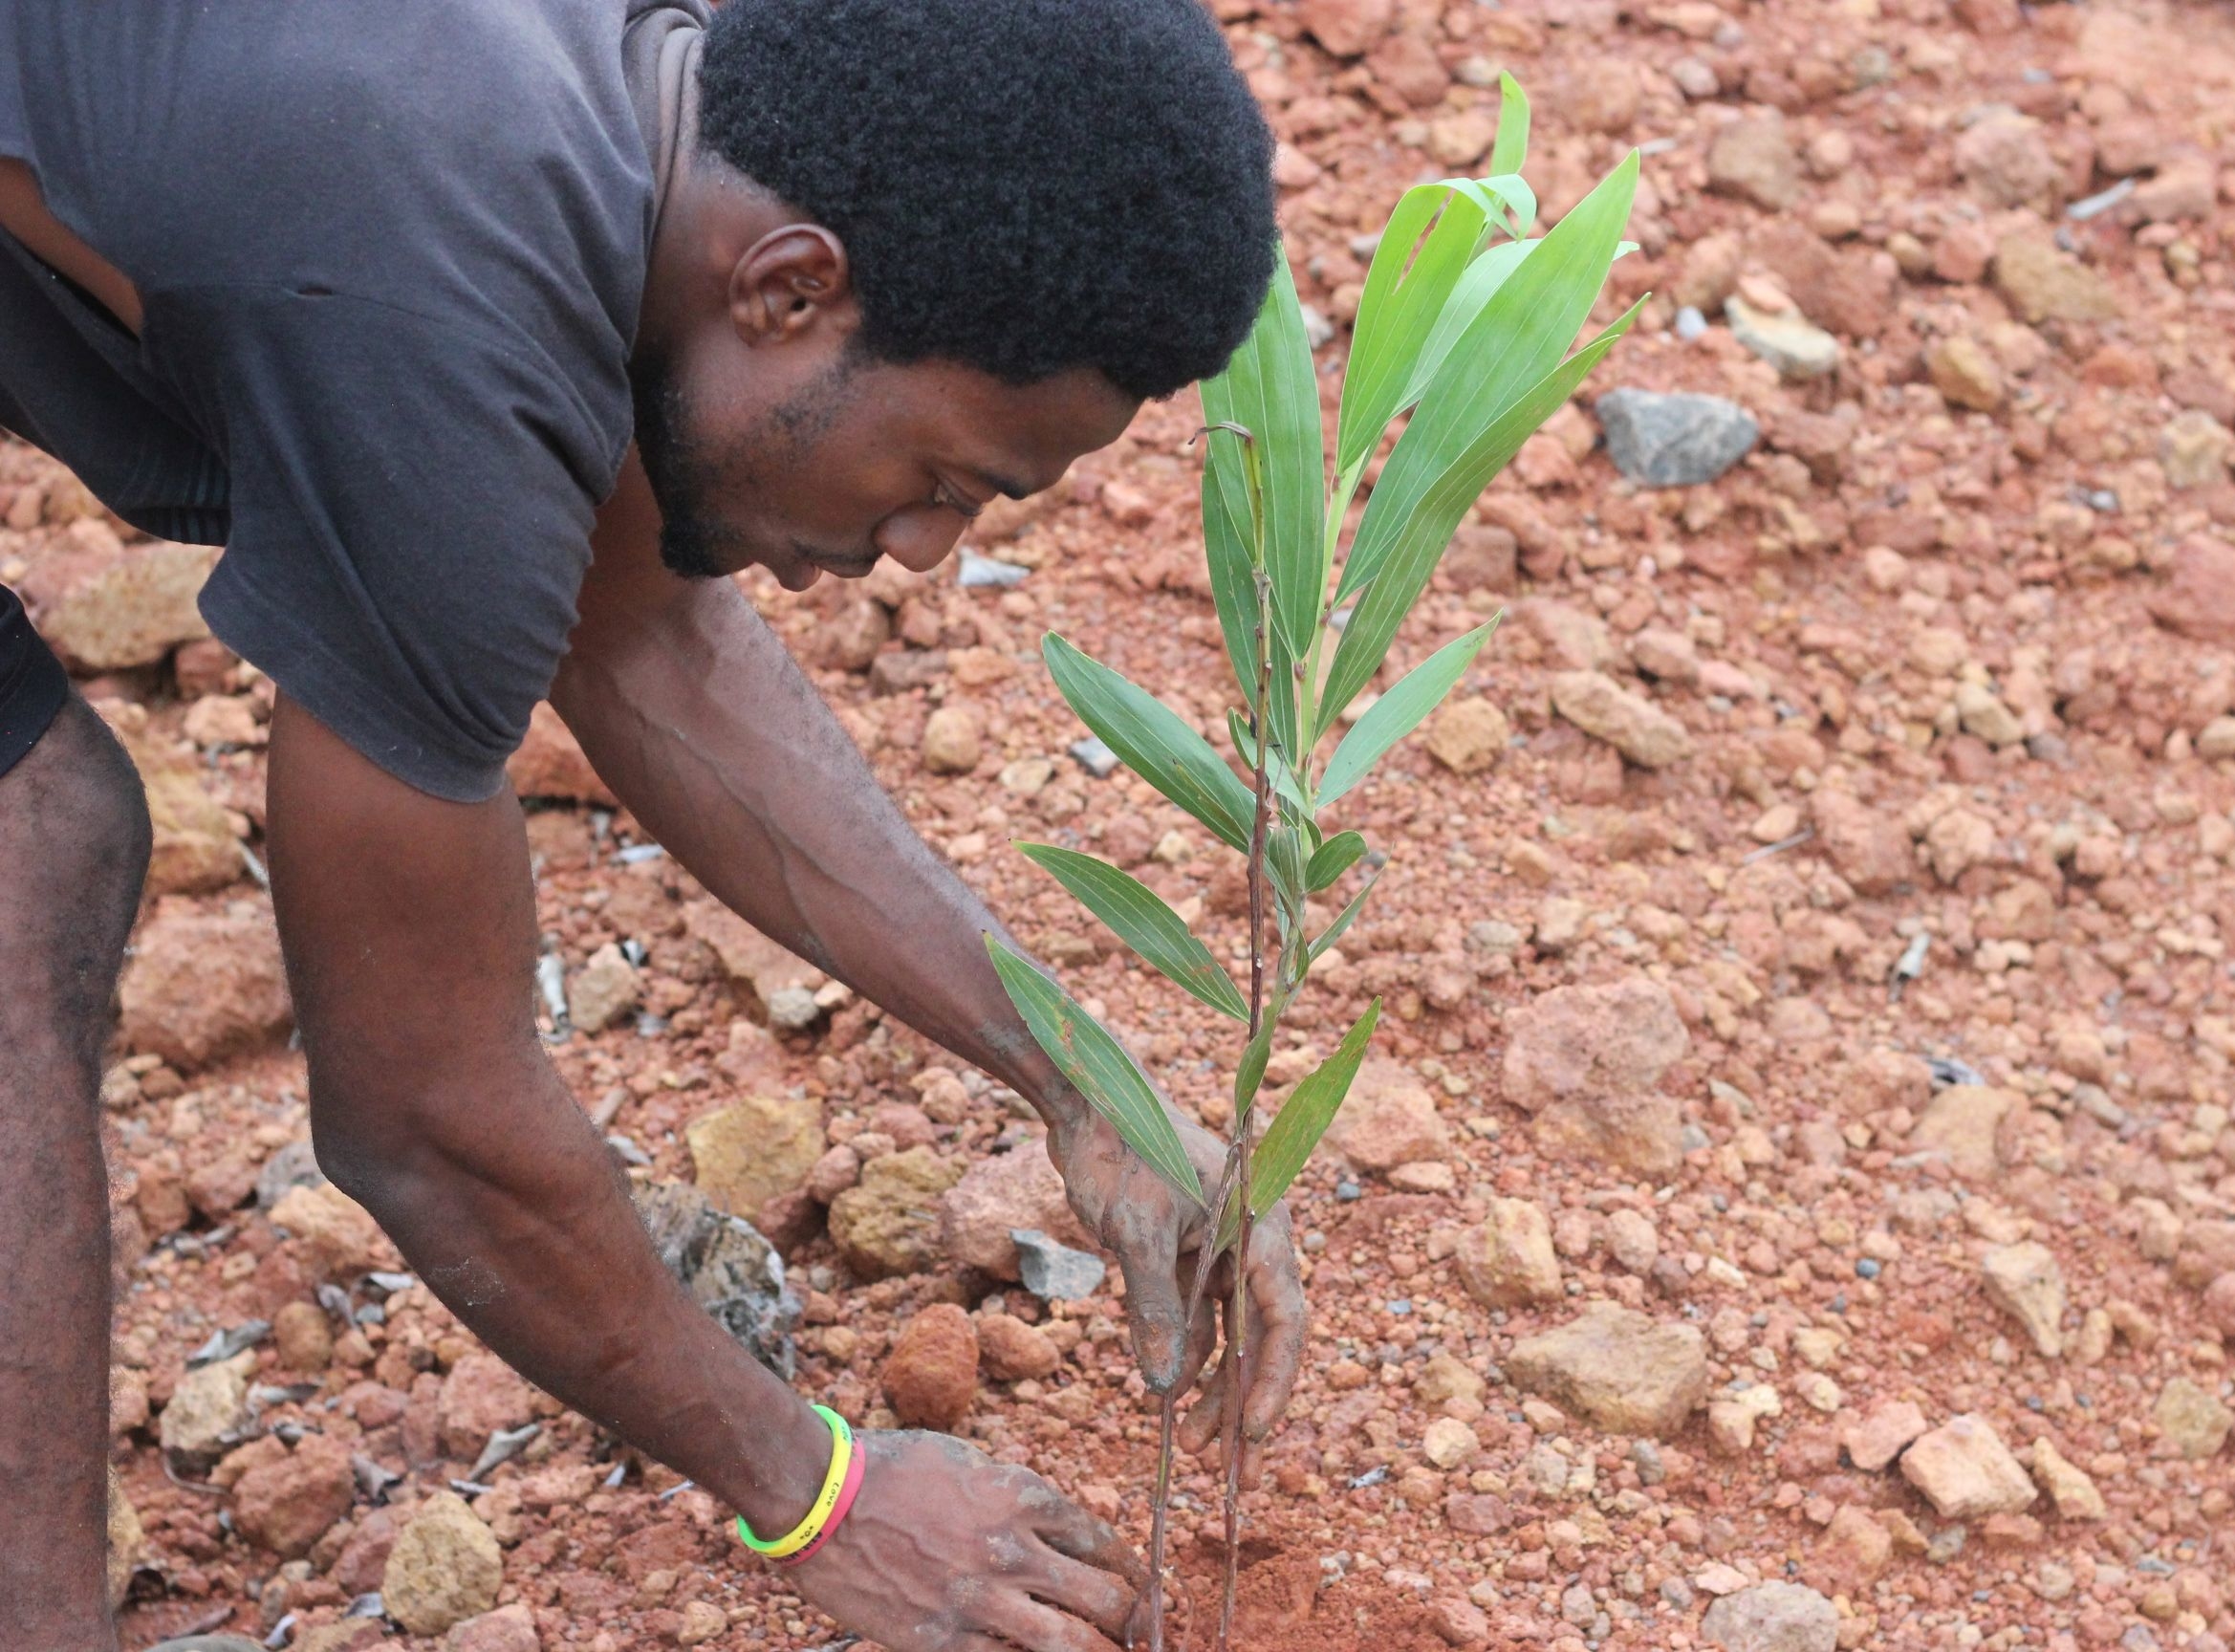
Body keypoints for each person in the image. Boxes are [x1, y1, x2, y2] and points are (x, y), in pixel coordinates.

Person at [0, 2, 1307, 1648]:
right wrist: (814, 1489)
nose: (920, 548)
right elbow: (424, 1111)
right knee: (27, 849)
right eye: (949, 478)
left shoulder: (650, 118)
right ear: (787, 286)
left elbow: (640, 631)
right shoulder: (436, 304)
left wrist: (1079, 1080)